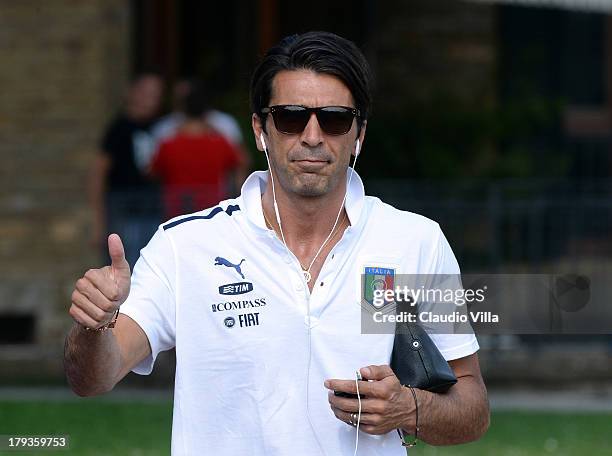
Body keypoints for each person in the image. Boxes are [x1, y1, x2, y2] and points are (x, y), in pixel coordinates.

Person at [65, 32, 489, 455]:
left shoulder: (413, 241)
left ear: (358, 134)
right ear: (260, 130)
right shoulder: (185, 245)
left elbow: (472, 409)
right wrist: (94, 323)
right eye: (290, 117)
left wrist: (408, 408)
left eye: (335, 118)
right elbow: (93, 378)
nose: (311, 136)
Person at [90, 73, 163, 267]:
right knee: (122, 259)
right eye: (146, 93)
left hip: (151, 201)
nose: (151, 100)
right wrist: (98, 220)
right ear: (132, 93)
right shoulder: (118, 128)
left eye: (156, 94)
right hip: (121, 202)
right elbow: (99, 172)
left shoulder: (160, 128)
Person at [149, 83, 249, 219]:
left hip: (176, 212)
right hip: (213, 212)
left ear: (182, 110)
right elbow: (242, 163)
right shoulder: (220, 142)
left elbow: (152, 172)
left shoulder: (168, 144)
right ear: (207, 112)